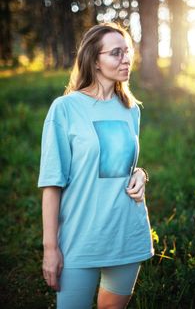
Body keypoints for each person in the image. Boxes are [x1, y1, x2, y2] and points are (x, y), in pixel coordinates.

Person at [38, 22, 155, 309]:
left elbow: (124, 167)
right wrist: (50, 248)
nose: (126, 59)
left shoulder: (131, 109)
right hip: (80, 238)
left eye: (128, 51)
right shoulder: (64, 109)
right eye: (116, 53)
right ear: (94, 60)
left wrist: (141, 175)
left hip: (126, 233)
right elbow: (52, 183)